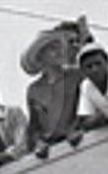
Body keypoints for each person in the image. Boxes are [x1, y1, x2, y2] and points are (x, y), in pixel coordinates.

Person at [22, 20, 88, 157]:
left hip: (79, 140)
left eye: (60, 47)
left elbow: (87, 105)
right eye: (52, 49)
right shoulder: (34, 90)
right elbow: (34, 126)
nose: (59, 52)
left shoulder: (77, 75)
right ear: (40, 55)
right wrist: (38, 142)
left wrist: (77, 128)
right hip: (51, 150)